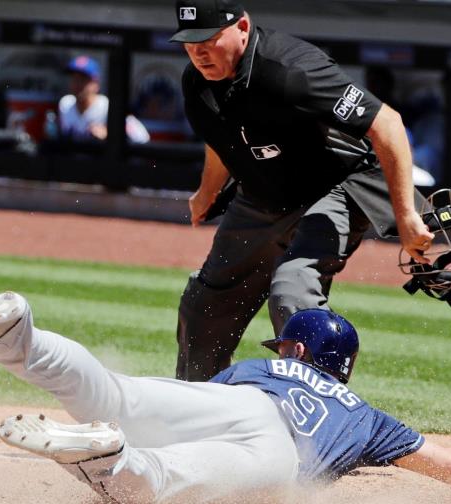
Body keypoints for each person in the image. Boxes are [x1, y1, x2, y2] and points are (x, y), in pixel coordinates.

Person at [0, 291, 451, 503]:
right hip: (277, 452)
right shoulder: (366, 419)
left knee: (115, 395)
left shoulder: (264, 368)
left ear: (296, 352)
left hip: (237, 401)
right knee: (160, 479)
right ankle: (110, 459)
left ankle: (21, 338)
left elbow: (194, 409)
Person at [169, 0, 433, 381]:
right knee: (203, 307)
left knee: (293, 291)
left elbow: (387, 123)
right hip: (261, 198)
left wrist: (406, 216)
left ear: (242, 26)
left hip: (331, 187)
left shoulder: (290, 69)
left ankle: (315, 413)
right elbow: (221, 139)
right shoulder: (197, 83)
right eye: (189, 42)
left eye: (208, 39)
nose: (198, 52)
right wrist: (206, 191)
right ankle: (198, 411)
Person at [55, 55, 150, 144]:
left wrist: (111, 134)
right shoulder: (65, 104)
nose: (77, 84)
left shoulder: (108, 107)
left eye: (83, 80)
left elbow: (142, 137)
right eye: (74, 79)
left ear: (96, 84)